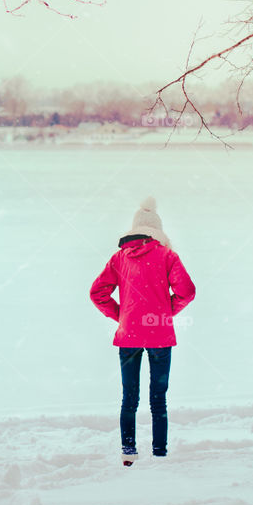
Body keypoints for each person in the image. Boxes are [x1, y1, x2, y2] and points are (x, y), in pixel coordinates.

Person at [90, 197, 195, 465]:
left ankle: (129, 452)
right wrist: (164, 313)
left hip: (129, 336)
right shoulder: (167, 255)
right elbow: (187, 292)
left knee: (129, 397)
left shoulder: (119, 258)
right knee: (158, 398)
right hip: (159, 333)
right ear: (157, 232)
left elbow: (97, 293)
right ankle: (159, 452)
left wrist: (123, 316)